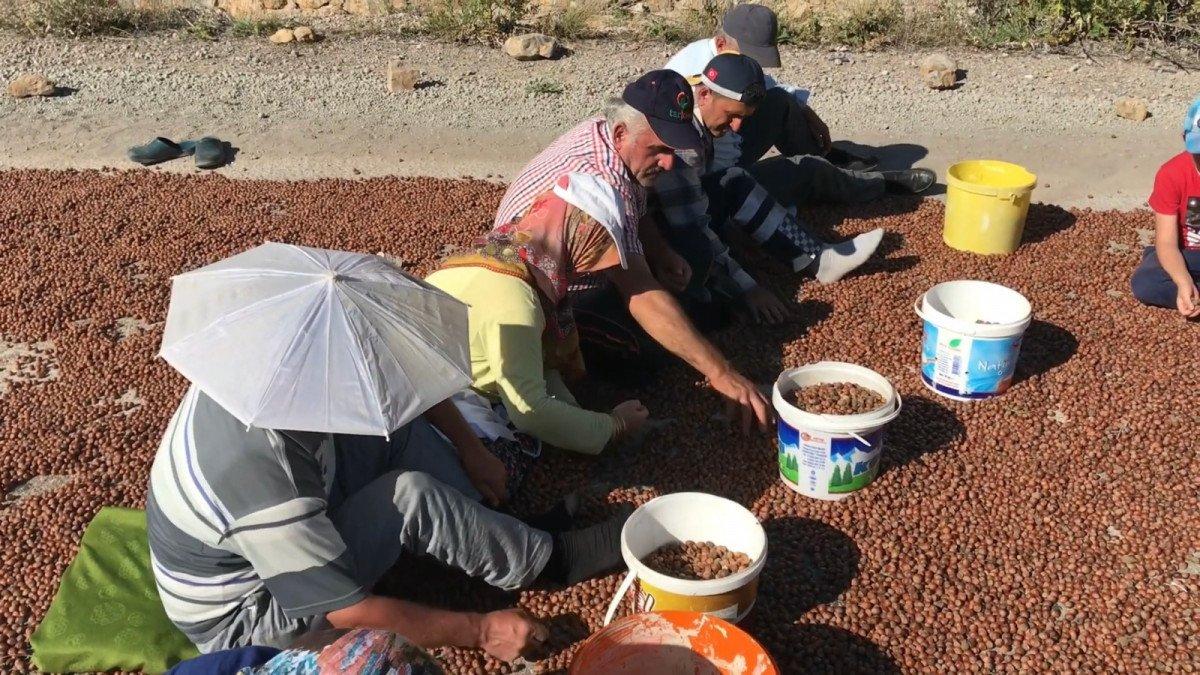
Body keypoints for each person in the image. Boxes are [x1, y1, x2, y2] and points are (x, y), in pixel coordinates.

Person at [147, 386, 627, 660]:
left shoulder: (275, 373)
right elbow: (346, 612)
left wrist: (472, 450)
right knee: (408, 495)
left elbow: (403, 388)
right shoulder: (263, 474)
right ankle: (552, 561)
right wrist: (482, 631)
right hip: (251, 613)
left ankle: (489, 532)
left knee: (392, 428)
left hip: (282, 516)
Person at [494, 69, 772, 433]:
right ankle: (578, 356)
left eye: (673, 149)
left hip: (570, 266)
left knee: (691, 272)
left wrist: (658, 252)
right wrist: (721, 373)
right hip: (534, 297)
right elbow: (640, 292)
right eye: (659, 149)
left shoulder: (609, 133)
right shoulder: (602, 182)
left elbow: (635, 205)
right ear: (623, 133)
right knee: (648, 356)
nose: (669, 162)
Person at [425, 171, 651, 459]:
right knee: (515, 462)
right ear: (575, 236)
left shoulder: (502, 252)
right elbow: (529, 411)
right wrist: (613, 426)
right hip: (443, 403)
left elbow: (535, 366)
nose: (589, 268)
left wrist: (578, 416)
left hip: (429, 376)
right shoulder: (516, 300)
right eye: (594, 250)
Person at [652, 53, 886, 325]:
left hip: (681, 211)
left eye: (743, 118)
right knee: (711, 305)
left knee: (734, 180)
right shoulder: (681, 146)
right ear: (703, 94)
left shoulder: (708, 115)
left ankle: (818, 257)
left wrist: (736, 226)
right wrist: (747, 287)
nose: (737, 126)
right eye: (732, 116)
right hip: (657, 239)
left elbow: (713, 186)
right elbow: (692, 224)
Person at [664, 3, 936, 207]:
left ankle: (827, 160)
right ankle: (877, 184)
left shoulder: (727, 59)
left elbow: (768, 86)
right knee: (805, 169)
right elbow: (711, 168)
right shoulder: (693, 80)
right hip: (710, 178)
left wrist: (806, 112)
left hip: (722, 152)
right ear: (721, 43)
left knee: (782, 101)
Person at [1131, 95, 1200, 318]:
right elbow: (1167, 242)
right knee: (1146, 283)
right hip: (1189, 254)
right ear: (1185, 138)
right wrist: (1183, 282)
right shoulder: (1171, 174)